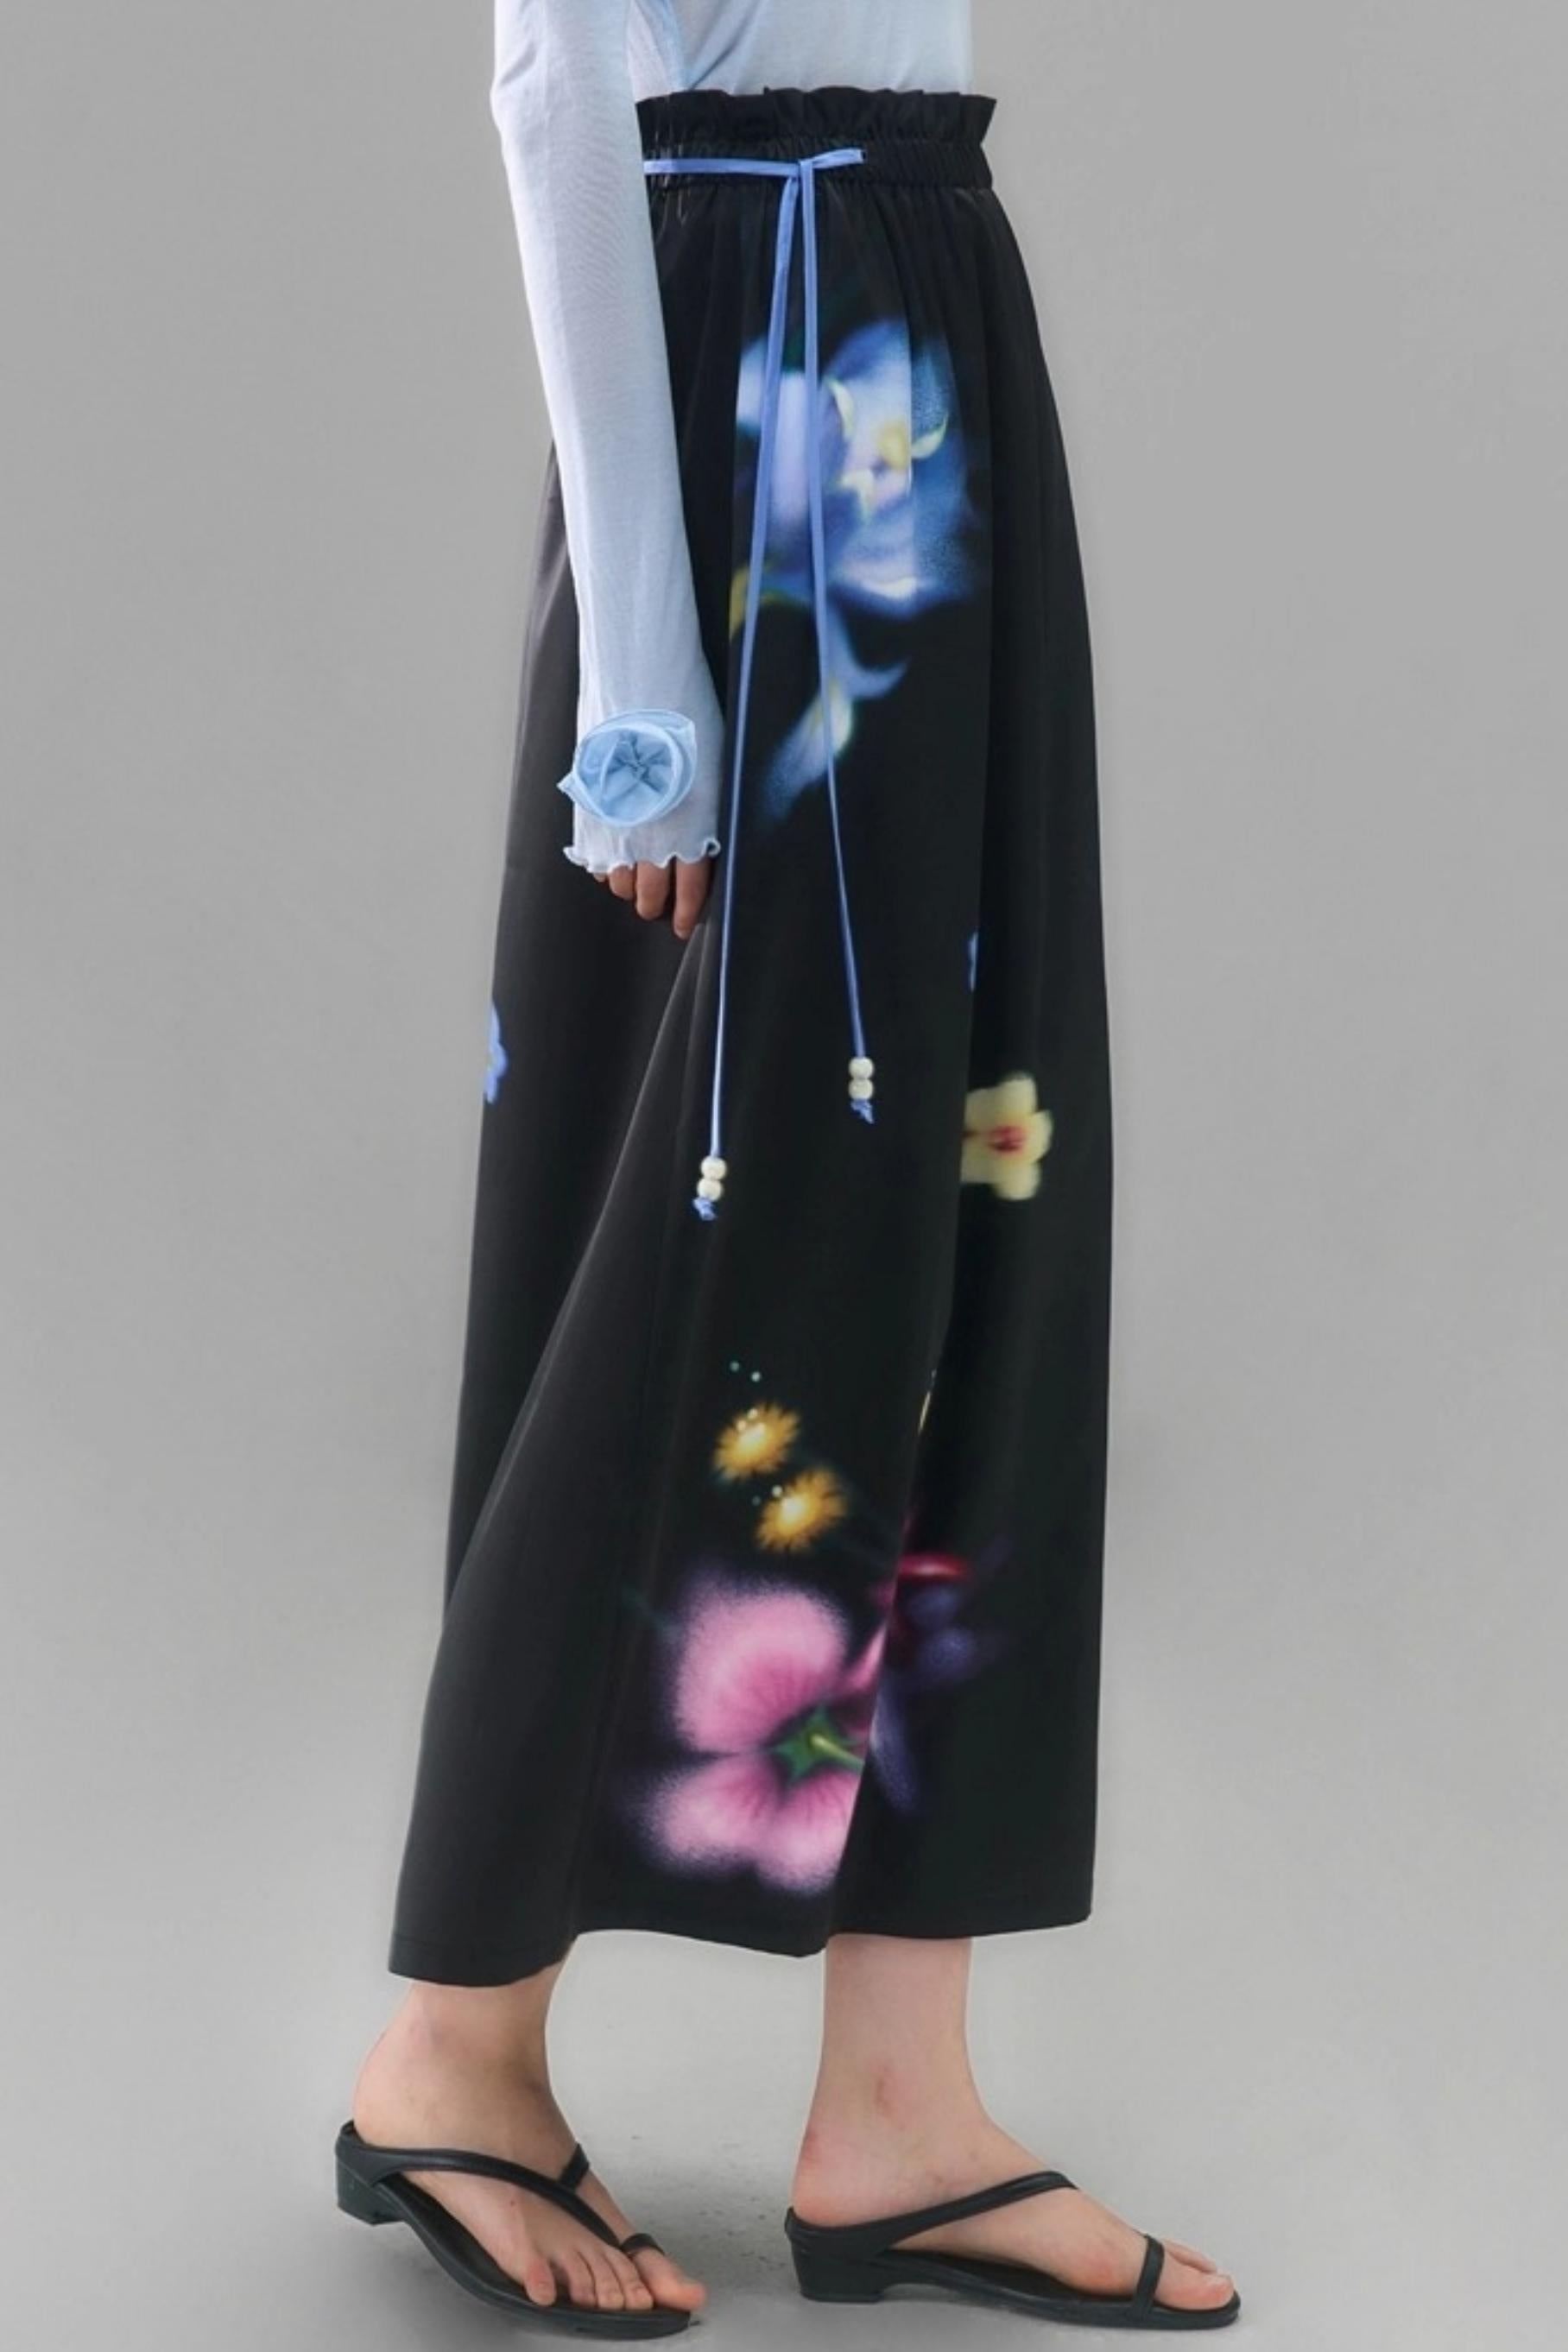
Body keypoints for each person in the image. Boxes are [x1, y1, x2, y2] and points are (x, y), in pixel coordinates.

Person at [335, 0, 1238, 2333]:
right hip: (757, 355)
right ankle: (457, 2039)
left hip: (927, 304)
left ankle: (902, 2100)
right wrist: (643, 672)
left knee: (981, 1194)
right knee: (705, 1229)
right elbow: (558, 77)